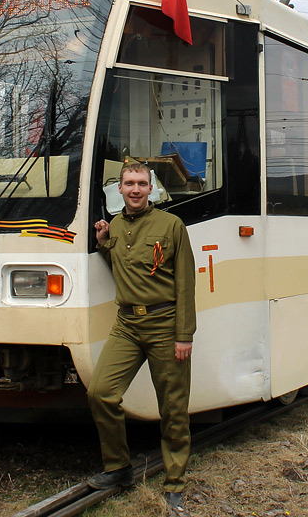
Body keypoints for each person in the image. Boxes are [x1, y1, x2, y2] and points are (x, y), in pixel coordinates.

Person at [88, 161, 196, 514]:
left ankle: (175, 484)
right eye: (129, 183)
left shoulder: (171, 225)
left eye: (141, 183)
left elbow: (185, 283)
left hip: (165, 324)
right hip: (127, 325)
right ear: (119, 188)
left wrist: (184, 335)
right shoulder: (116, 225)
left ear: (152, 189)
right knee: (101, 392)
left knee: (173, 409)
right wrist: (103, 244)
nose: (135, 189)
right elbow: (124, 267)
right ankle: (118, 468)